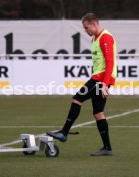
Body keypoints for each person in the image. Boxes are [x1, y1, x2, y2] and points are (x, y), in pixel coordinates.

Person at [47, 12, 117, 156]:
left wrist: (104, 84)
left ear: (94, 24)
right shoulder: (95, 39)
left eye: (86, 28)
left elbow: (110, 62)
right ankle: (107, 148)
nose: (85, 31)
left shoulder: (105, 37)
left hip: (101, 79)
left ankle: (64, 132)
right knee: (98, 113)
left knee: (77, 98)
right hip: (100, 77)